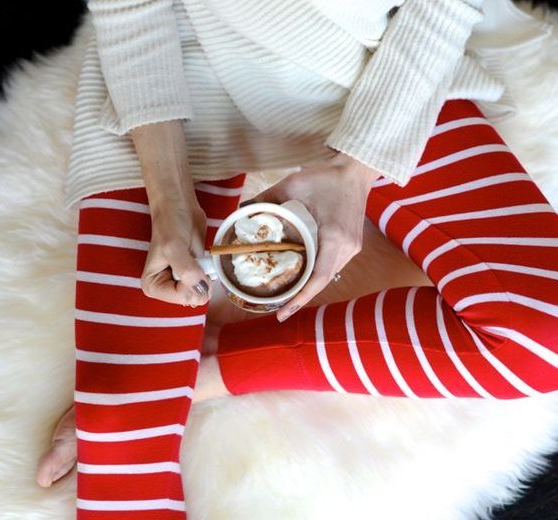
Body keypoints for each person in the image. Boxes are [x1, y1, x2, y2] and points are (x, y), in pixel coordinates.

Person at [36, 0, 557, 518]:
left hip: (366, 72)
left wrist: (355, 169)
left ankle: (202, 367)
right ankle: (163, 381)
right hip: (170, 77)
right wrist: (167, 196)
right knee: (120, 464)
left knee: (543, 341)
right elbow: (130, 9)